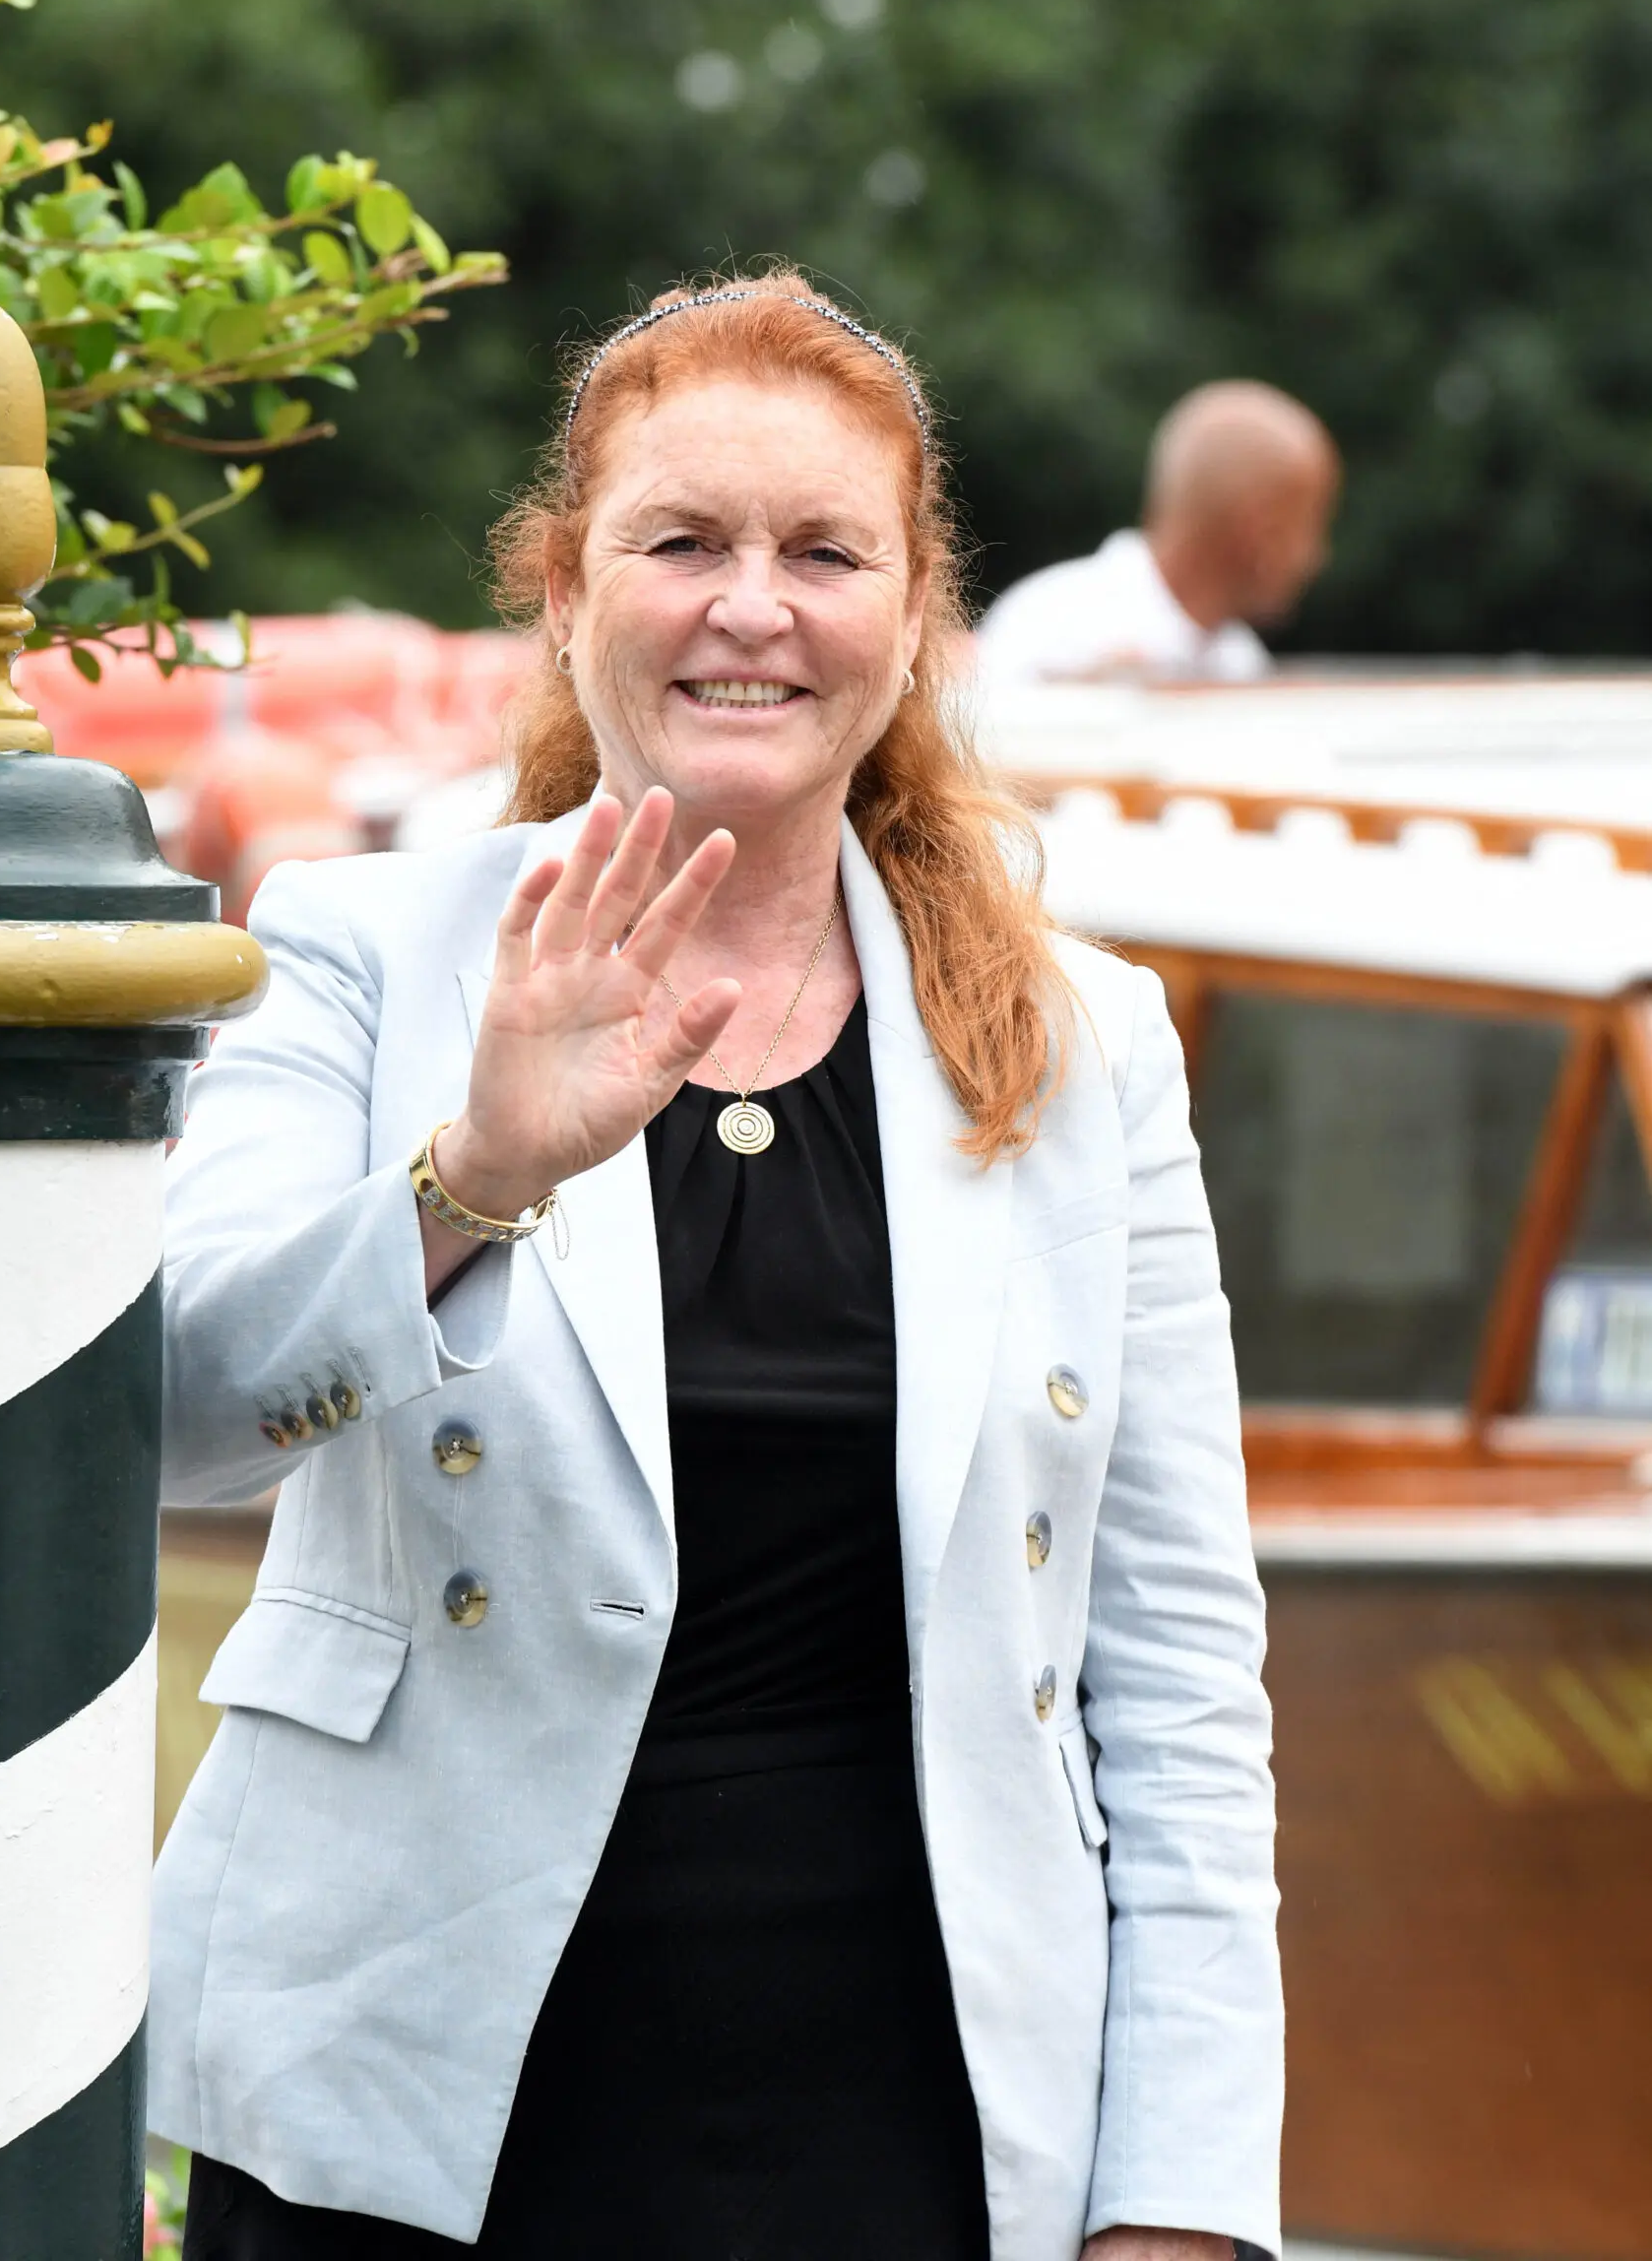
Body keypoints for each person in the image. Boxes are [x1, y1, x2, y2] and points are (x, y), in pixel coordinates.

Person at [153, 271, 1282, 2261]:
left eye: (822, 549)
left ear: (917, 609)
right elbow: (174, 1424)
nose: (749, 604)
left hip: (911, 2122)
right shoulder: (357, 943)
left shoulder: (1084, 1042)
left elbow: (1177, 1675)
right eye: (680, 540)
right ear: (565, 588)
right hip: (405, 2109)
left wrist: (1175, 2194)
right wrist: (474, 1173)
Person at [977, 379, 1340, 686]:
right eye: (1308, 527)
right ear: (1258, 530)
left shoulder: (1238, 660)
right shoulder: (1051, 624)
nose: (1316, 558)